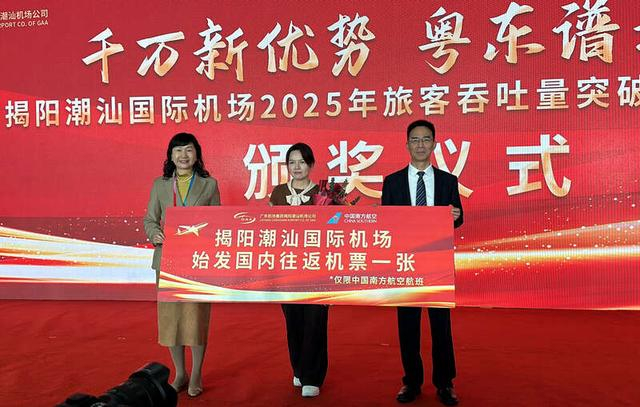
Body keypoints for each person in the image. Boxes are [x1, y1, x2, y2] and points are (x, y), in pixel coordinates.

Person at [381, 120, 463, 406]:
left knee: (441, 326)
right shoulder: (392, 182)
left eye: (426, 139)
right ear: (407, 145)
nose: (420, 144)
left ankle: (445, 383)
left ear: (434, 144)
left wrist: (454, 216)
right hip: (405, 262)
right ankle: (412, 382)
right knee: (408, 325)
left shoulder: (448, 181)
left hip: (436, 261)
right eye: (415, 140)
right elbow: (386, 223)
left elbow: (458, 218)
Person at [143, 132, 220, 398]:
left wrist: (206, 237)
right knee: (172, 320)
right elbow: (150, 219)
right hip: (168, 260)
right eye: (178, 150)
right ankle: (180, 372)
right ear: (170, 155)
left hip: (198, 261)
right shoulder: (160, 185)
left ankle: (196, 372)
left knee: (196, 318)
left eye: (188, 149)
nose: (183, 155)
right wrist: (155, 234)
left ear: (196, 154)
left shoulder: (209, 185)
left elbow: (219, 221)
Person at [269, 142, 328, 398]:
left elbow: (336, 228)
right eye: (292, 162)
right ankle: (299, 368)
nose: (297, 167)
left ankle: (312, 376)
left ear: (311, 165)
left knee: (315, 322)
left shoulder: (324, 193)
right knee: (293, 321)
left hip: (317, 270)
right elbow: (268, 228)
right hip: (287, 269)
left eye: (302, 162)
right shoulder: (278, 193)